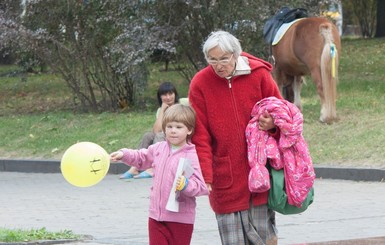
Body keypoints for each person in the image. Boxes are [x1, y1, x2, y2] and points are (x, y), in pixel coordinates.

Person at [188, 30, 283, 244]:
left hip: (259, 172)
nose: (218, 65)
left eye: (223, 58)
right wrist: (206, 175)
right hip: (225, 175)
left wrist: (273, 125)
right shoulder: (200, 83)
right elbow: (199, 135)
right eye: (212, 59)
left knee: (264, 238)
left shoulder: (259, 75)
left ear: (236, 55)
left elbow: (283, 113)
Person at [110, 104, 208, 245]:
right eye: (169, 127)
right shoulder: (158, 148)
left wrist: (186, 184)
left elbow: (200, 186)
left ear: (189, 130)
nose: (173, 131)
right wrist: (124, 154)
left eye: (178, 127)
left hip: (180, 220)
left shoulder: (191, 155)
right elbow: (141, 157)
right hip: (156, 217)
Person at [120, 81, 180, 179]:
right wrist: (162, 110)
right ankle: (135, 167)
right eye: (164, 95)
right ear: (160, 97)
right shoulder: (161, 110)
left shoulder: (181, 107)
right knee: (148, 135)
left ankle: (154, 168)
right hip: (166, 135)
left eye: (170, 94)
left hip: (178, 135)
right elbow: (156, 130)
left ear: (175, 94)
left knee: (160, 136)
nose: (168, 97)